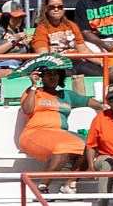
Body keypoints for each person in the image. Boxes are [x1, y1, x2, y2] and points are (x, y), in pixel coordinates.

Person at [19, 65, 102, 195]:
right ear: (41, 77)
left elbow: (87, 101)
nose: (52, 77)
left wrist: (104, 107)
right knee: (63, 146)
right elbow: (27, 109)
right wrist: (34, 86)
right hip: (35, 133)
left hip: (60, 133)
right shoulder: (34, 91)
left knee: (91, 144)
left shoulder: (66, 94)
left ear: (60, 76)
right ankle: (43, 186)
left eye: (55, 74)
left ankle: (70, 183)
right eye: (48, 74)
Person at [31, 0, 102, 77]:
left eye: (60, 7)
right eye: (52, 7)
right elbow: (43, 55)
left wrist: (102, 62)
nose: (56, 9)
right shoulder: (41, 29)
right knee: (68, 74)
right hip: (57, 63)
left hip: (76, 61)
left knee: (100, 73)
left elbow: (84, 50)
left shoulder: (71, 25)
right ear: (46, 9)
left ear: (63, 9)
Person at [85, 86, 113, 206]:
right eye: (112, 99)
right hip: (105, 156)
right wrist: (91, 167)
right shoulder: (100, 118)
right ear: (107, 101)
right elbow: (91, 145)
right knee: (107, 165)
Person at [0, 1, 30, 77]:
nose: (20, 20)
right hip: (3, 64)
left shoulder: (20, 31)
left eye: (21, 17)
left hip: (20, 64)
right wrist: (14, 40)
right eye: (16, 17)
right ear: (6, 17)